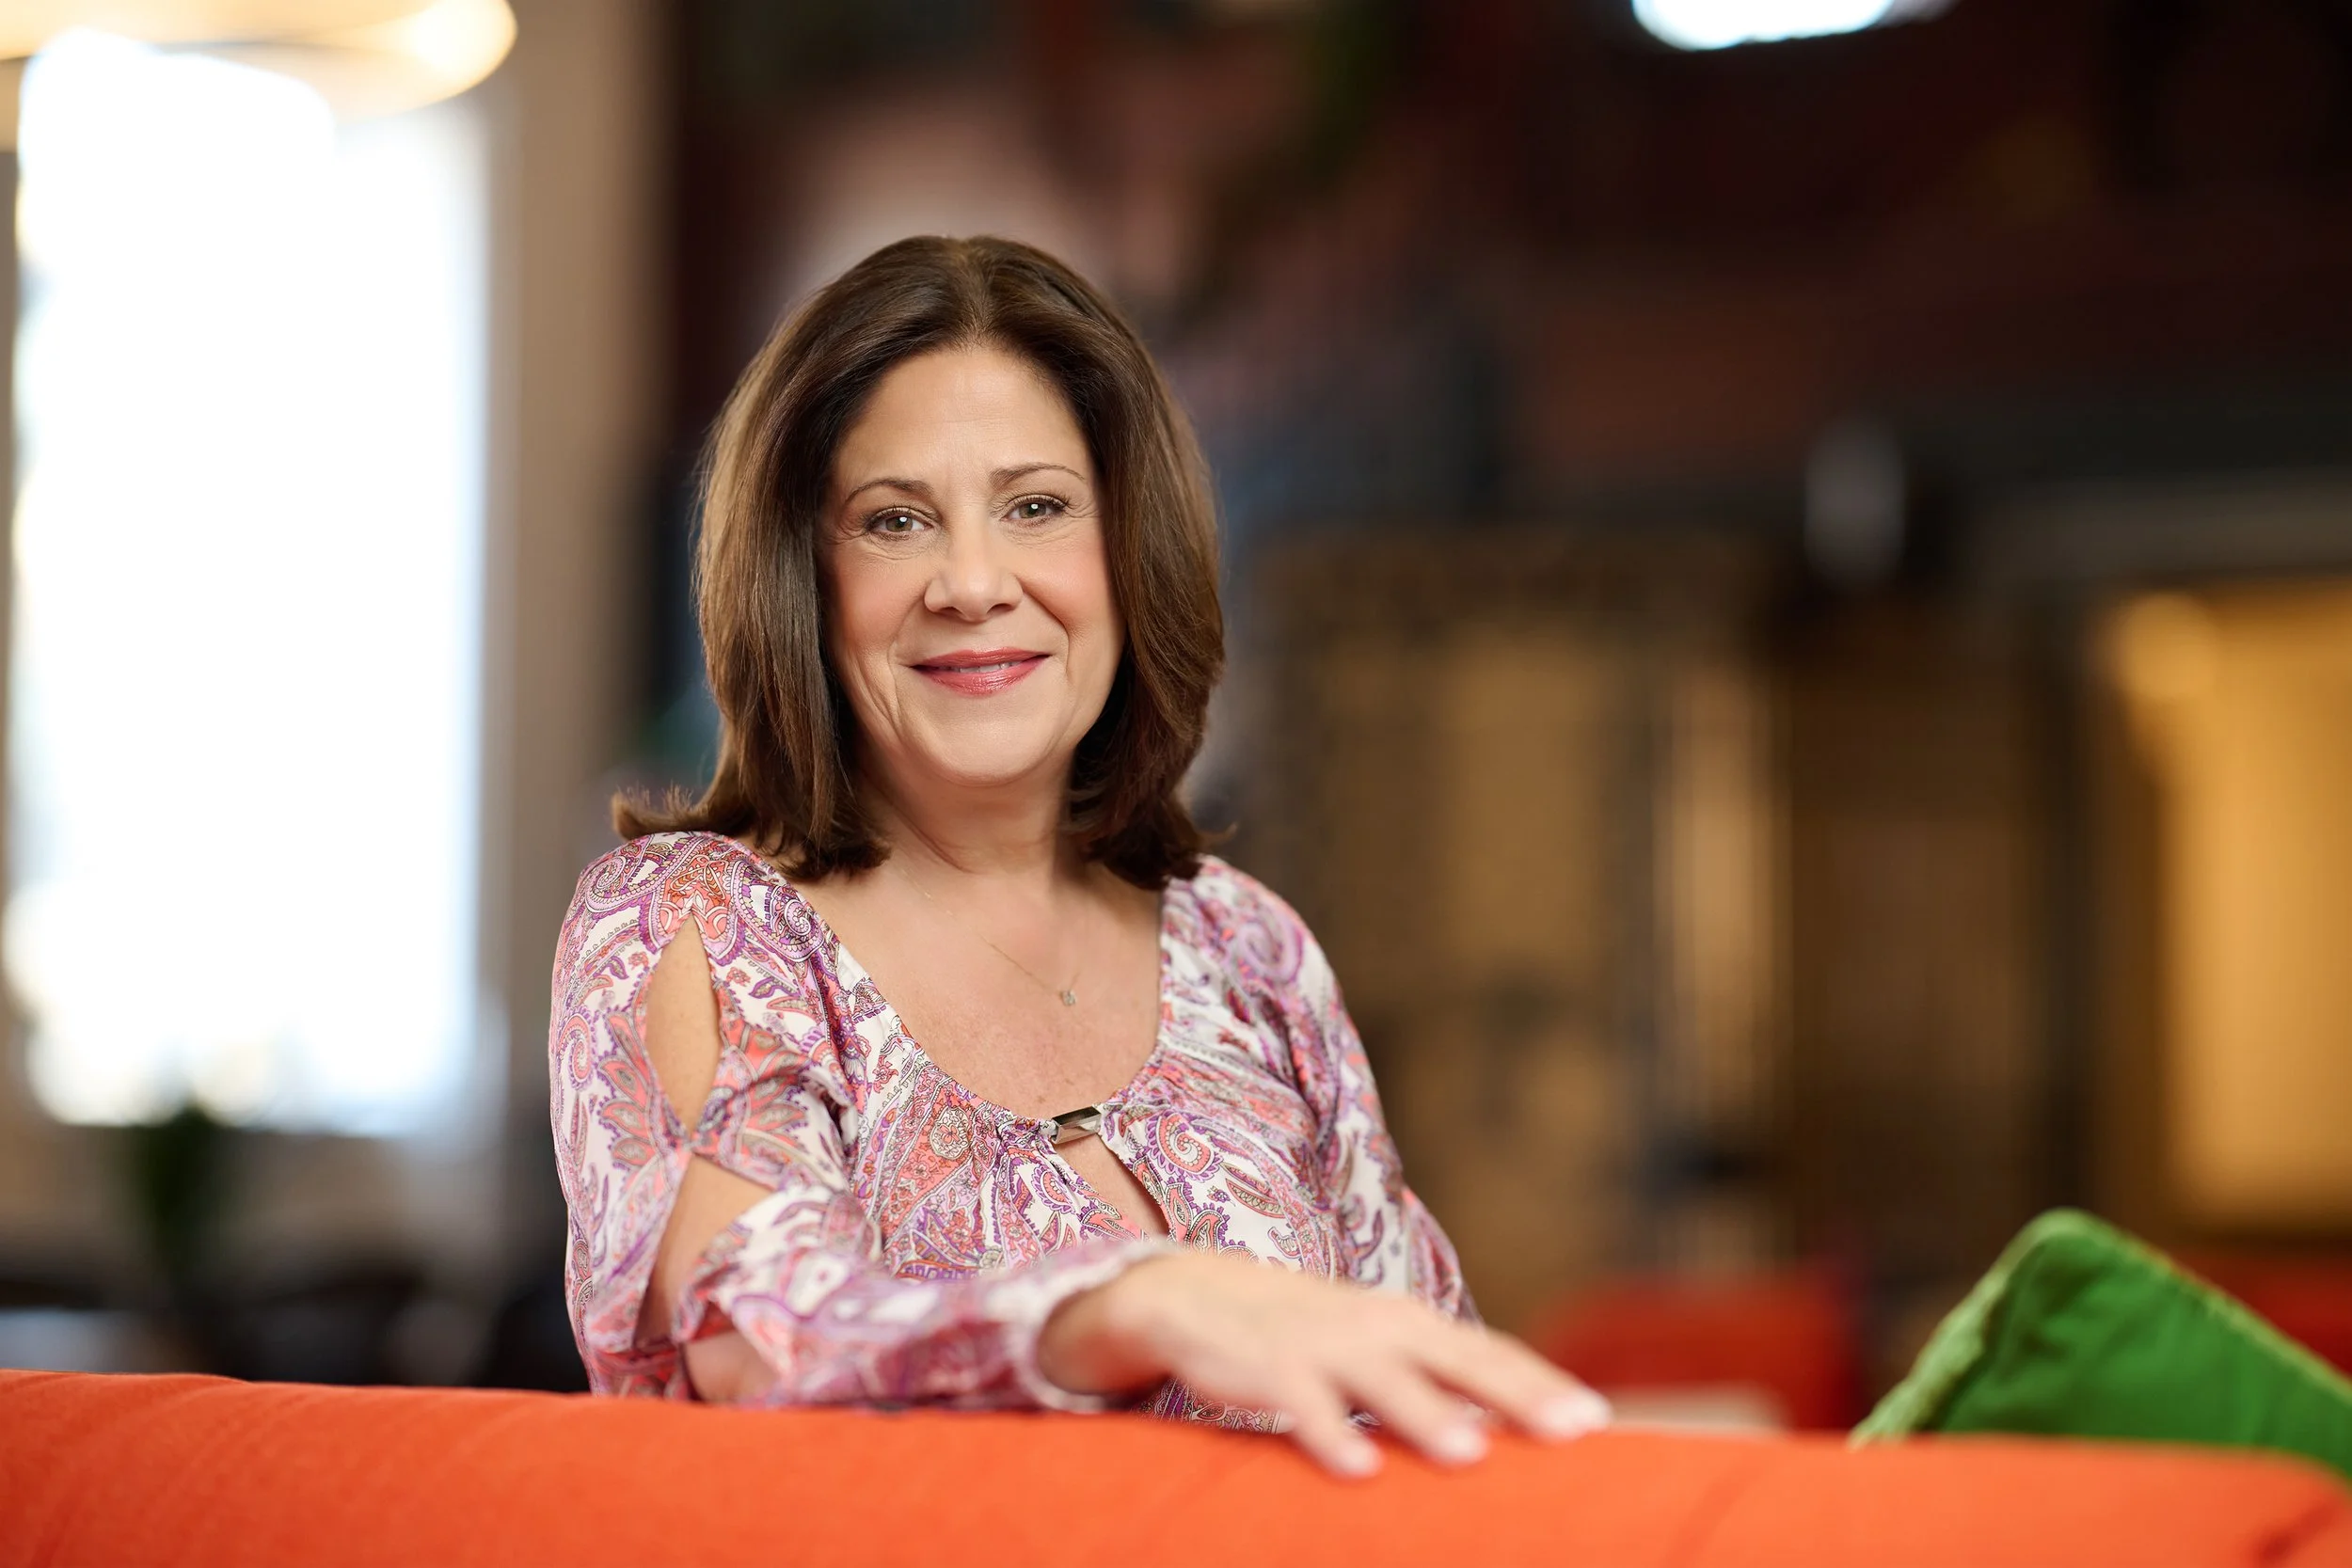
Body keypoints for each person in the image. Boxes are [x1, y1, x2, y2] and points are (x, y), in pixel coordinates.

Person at [548, 235, 1608, 1477]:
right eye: (894, 521)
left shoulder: (1246, 943)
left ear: (1125, 547)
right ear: (805, 578)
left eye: (1036, 506)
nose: (973, 581)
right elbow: (763, 1338)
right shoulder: (696, 923)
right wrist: (1127, 1302)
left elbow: (1422, 1387)